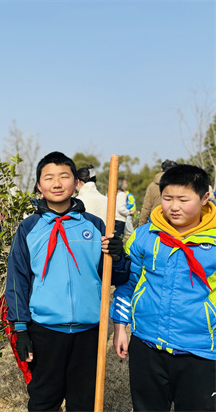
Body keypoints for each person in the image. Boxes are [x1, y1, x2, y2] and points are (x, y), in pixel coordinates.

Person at [5, 151, 129, 412]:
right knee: (43, 400)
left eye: (64, 176)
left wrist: (117, 256)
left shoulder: (96, 226)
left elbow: (117, 276)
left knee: (83, 402)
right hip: (44, 331)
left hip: (90, 332)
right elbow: (17, 280)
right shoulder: (29, 228)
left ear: (76, 183)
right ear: (39, 185)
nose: (57, 183)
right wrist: (21, 328)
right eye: (49, 178)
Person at [111, 164, 216, 412]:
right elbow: (128, 283)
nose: (174, 206)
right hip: (146, 344)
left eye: (183, 199)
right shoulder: (144, 236)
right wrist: (120, 326)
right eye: (167, 198)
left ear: (204, 198)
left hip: (199, 350)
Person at [138, 159, 177, 225]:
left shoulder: (152, 186)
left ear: (161, 169)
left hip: (155, 220)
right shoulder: (179, 185)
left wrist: (141, 225)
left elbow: (146, 208)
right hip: (172, 221)